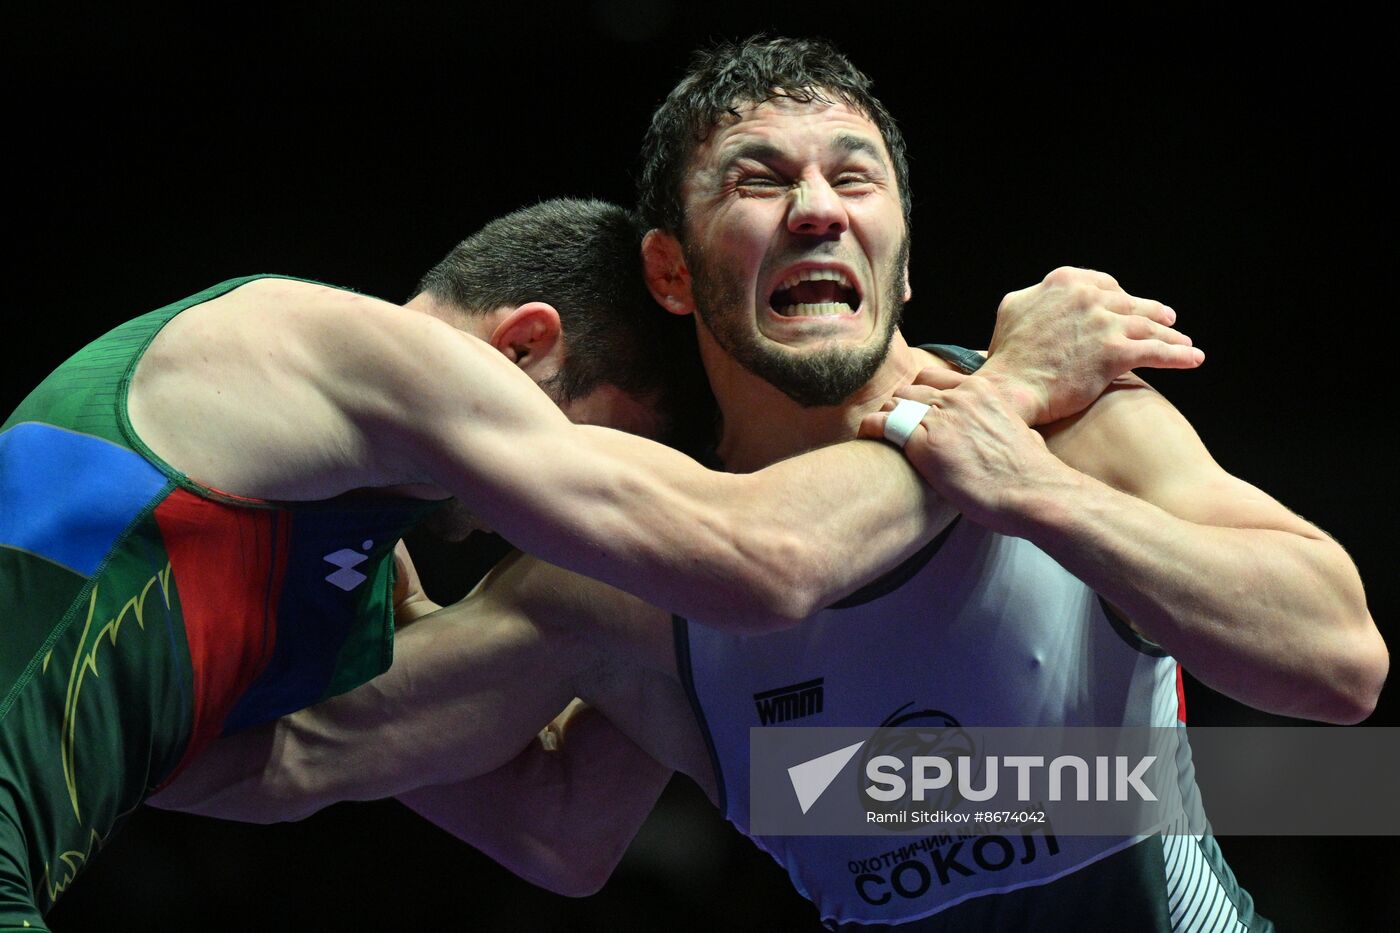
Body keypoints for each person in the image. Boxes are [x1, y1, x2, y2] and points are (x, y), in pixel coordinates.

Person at [150, 35, 1386, 930]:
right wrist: (316, 607)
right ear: (673, 273)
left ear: (902, 257)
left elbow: (1337, 667)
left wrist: (1044, 499)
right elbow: (535, 825)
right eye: (756, 180)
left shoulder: (1073, 424)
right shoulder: (632, 580)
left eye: (852, 179)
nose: (814, 211)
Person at [0, 189, 1185, 931]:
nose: (570, 526)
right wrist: (1003, 396)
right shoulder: (326, 339)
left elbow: (551, 829)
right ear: (524, 346)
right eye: (606, 471)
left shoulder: (329, 562)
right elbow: (759, 553)